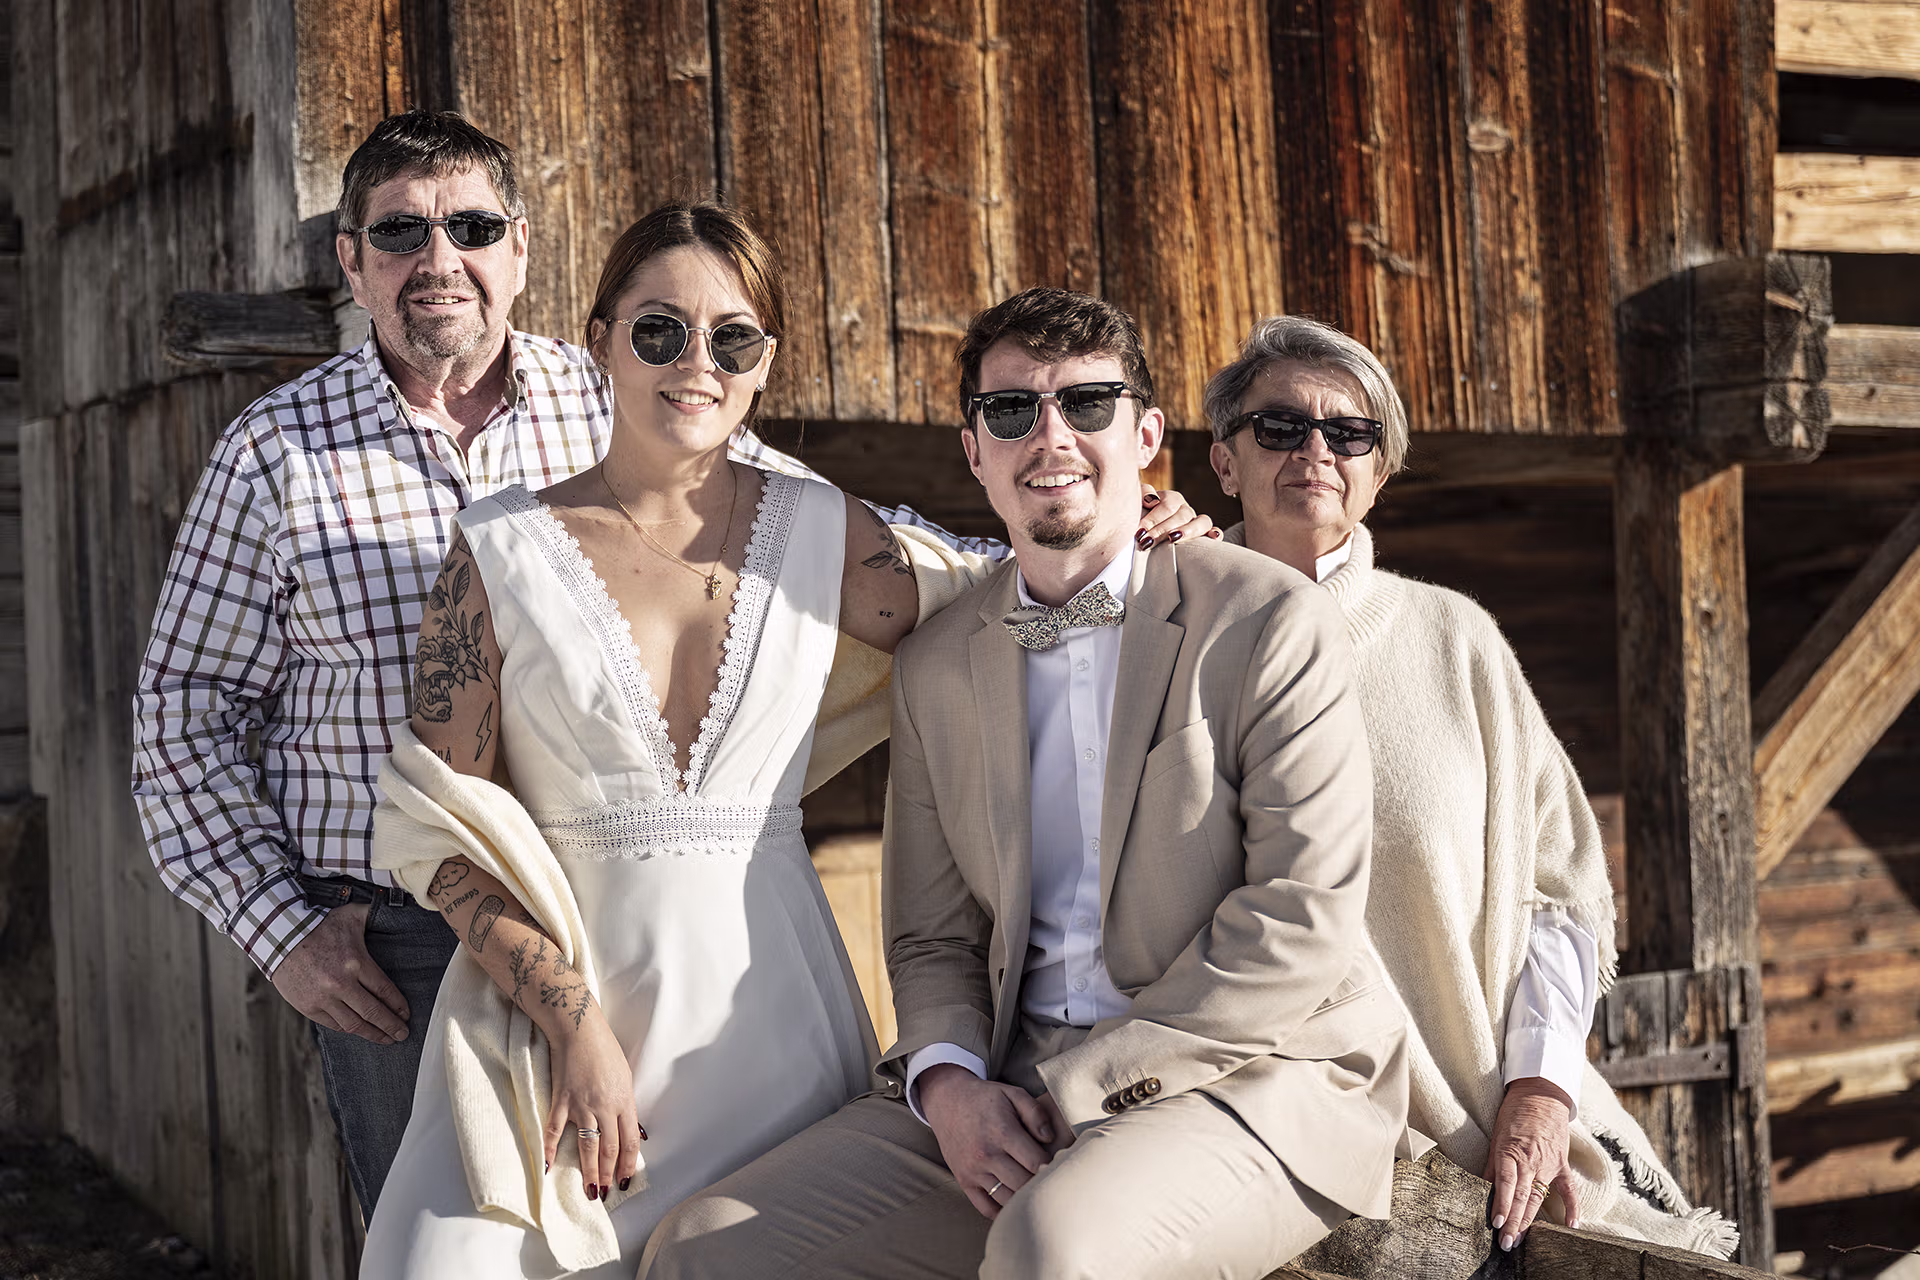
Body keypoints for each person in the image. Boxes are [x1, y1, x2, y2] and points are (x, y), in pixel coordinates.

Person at [129, 109, 1213, 1223]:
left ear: (521, 250)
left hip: (740, 953)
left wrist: (1114, 532)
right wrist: (283, 928)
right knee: (463, 1229)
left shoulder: (631, 391)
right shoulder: (274, 450)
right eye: (401, 234)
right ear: (351, 262)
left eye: (470, 225)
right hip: (400, 935)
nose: (438, 259)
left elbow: (896, 560)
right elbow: (181, 711)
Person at [642, 288, 1411, 1280]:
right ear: (975, 451)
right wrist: (954, 1087)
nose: (1051, 435)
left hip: (1256, 1075)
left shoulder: (1266, 619)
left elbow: (1301, 918)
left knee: (1053, 1250)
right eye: (1013, 411)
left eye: (1086, 405)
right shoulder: (939, 662)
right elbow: (930, 936)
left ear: (1144, 434)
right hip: (1013, 1080)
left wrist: (1085, 1086)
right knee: (705, 1251)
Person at [1203, 314, 1737, 1257]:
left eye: (1349, 432)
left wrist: (1536, 1090)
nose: (1315, 451)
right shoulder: (1166, 635)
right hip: (1235, 1146)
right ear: (1224, 460)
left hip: (1470, 1136)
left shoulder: (1457, 642)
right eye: (1279, 426)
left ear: (1379, 472)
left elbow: (1556, 895)